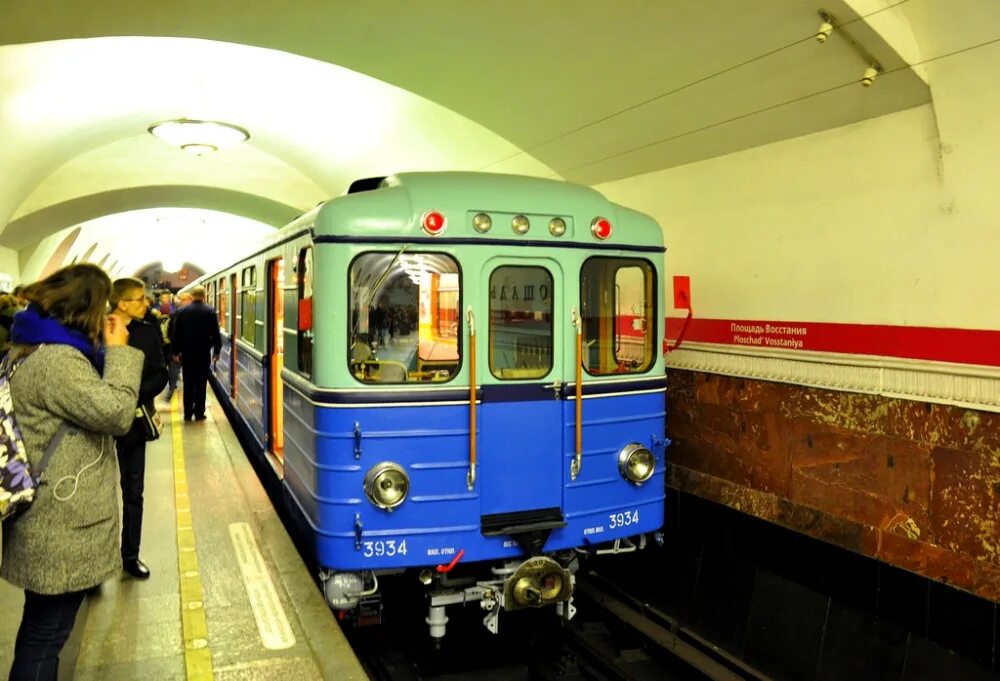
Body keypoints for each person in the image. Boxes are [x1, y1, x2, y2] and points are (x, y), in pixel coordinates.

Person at [0, 263, 142, 681]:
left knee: (42, 628)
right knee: (46, 637)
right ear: (86, 308)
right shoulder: (59, 360)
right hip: (59, 521)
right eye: (104, 307)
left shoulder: (29, 346)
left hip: (45, 516)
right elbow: (117, 413)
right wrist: (118, 351)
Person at [108, 278, 168, 579]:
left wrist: (130, 396)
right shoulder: (95, 331)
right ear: (122, 303)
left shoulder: (147, 333)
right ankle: (97, 560)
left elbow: (160, 375)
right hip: (98, 424)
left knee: (133, 492)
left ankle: (130, 556)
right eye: (140, 299)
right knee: (100, 494)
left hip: (133, 421)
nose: (148, 303)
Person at [170, 285, 220, 421]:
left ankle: (187, 413)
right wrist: (217, 351)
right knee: (201, 383)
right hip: (203, 353)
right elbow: (216, 333)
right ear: (204, 296)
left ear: (191, 296)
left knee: (188, 383)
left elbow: (176, 333)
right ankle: (199, 412)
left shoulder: (182, 311)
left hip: (187, 354)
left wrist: (175, 351)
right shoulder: (210, 311)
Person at [162, 292, 192, 401]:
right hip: (186, 349)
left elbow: (171, 333)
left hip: (179, 349)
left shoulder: (174, 313)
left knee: (174, 372)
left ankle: (171, 389)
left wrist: (175, 351)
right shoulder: (178, 314)